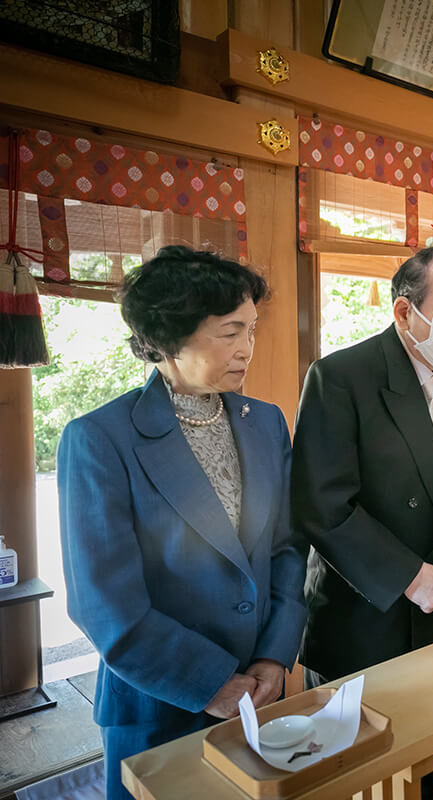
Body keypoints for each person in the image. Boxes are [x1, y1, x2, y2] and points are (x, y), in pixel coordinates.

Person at [57, 247, 308, 800]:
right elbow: (104, 603)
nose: (247, 348)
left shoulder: (265, 422)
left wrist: (274, 654)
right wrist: (209, 682)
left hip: (260, 689)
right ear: (168, 337)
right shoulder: (100, 438)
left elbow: (287, 549)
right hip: (158, 698)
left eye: (252, 329)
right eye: (229, 332)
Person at [292, 245, 433, 800]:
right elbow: (322, 504)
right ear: (406, 313)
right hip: (368, 613)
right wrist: (409, 574)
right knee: (370, 776)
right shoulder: (341, 377)